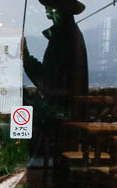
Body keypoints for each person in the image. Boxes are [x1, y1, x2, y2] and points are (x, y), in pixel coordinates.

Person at [22, 0, 89, 163]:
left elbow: (46, 80)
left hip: (61, 110)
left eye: (50, 5)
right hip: (65, 108)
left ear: (60, 9)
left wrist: (26, 56)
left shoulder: (64, 37)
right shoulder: (68, 34)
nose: (46, 9)